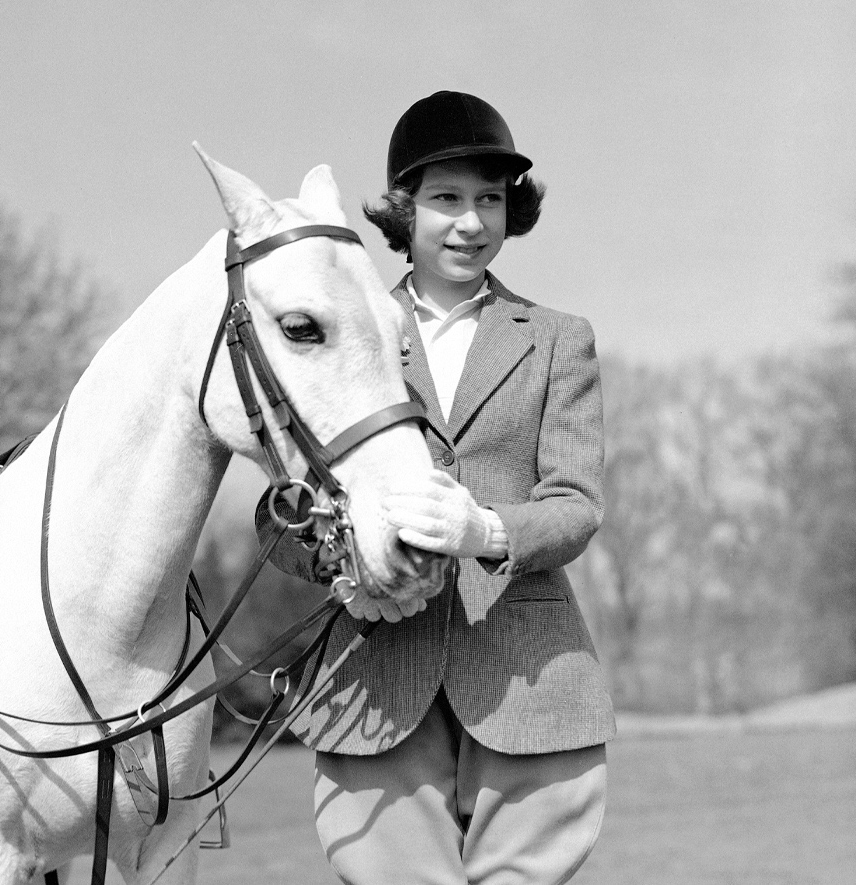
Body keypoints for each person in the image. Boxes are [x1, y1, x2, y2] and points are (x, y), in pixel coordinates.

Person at [261, 91, 613, 885]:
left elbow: (577, 504)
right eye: (446, 199)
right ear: (402, 211)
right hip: (376, 679)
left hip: (529, 678)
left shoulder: (560, 339)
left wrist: (483, 530)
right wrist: (344, 562)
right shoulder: (332, 333)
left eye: (489, 199)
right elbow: (283, 511)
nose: (470, 222)